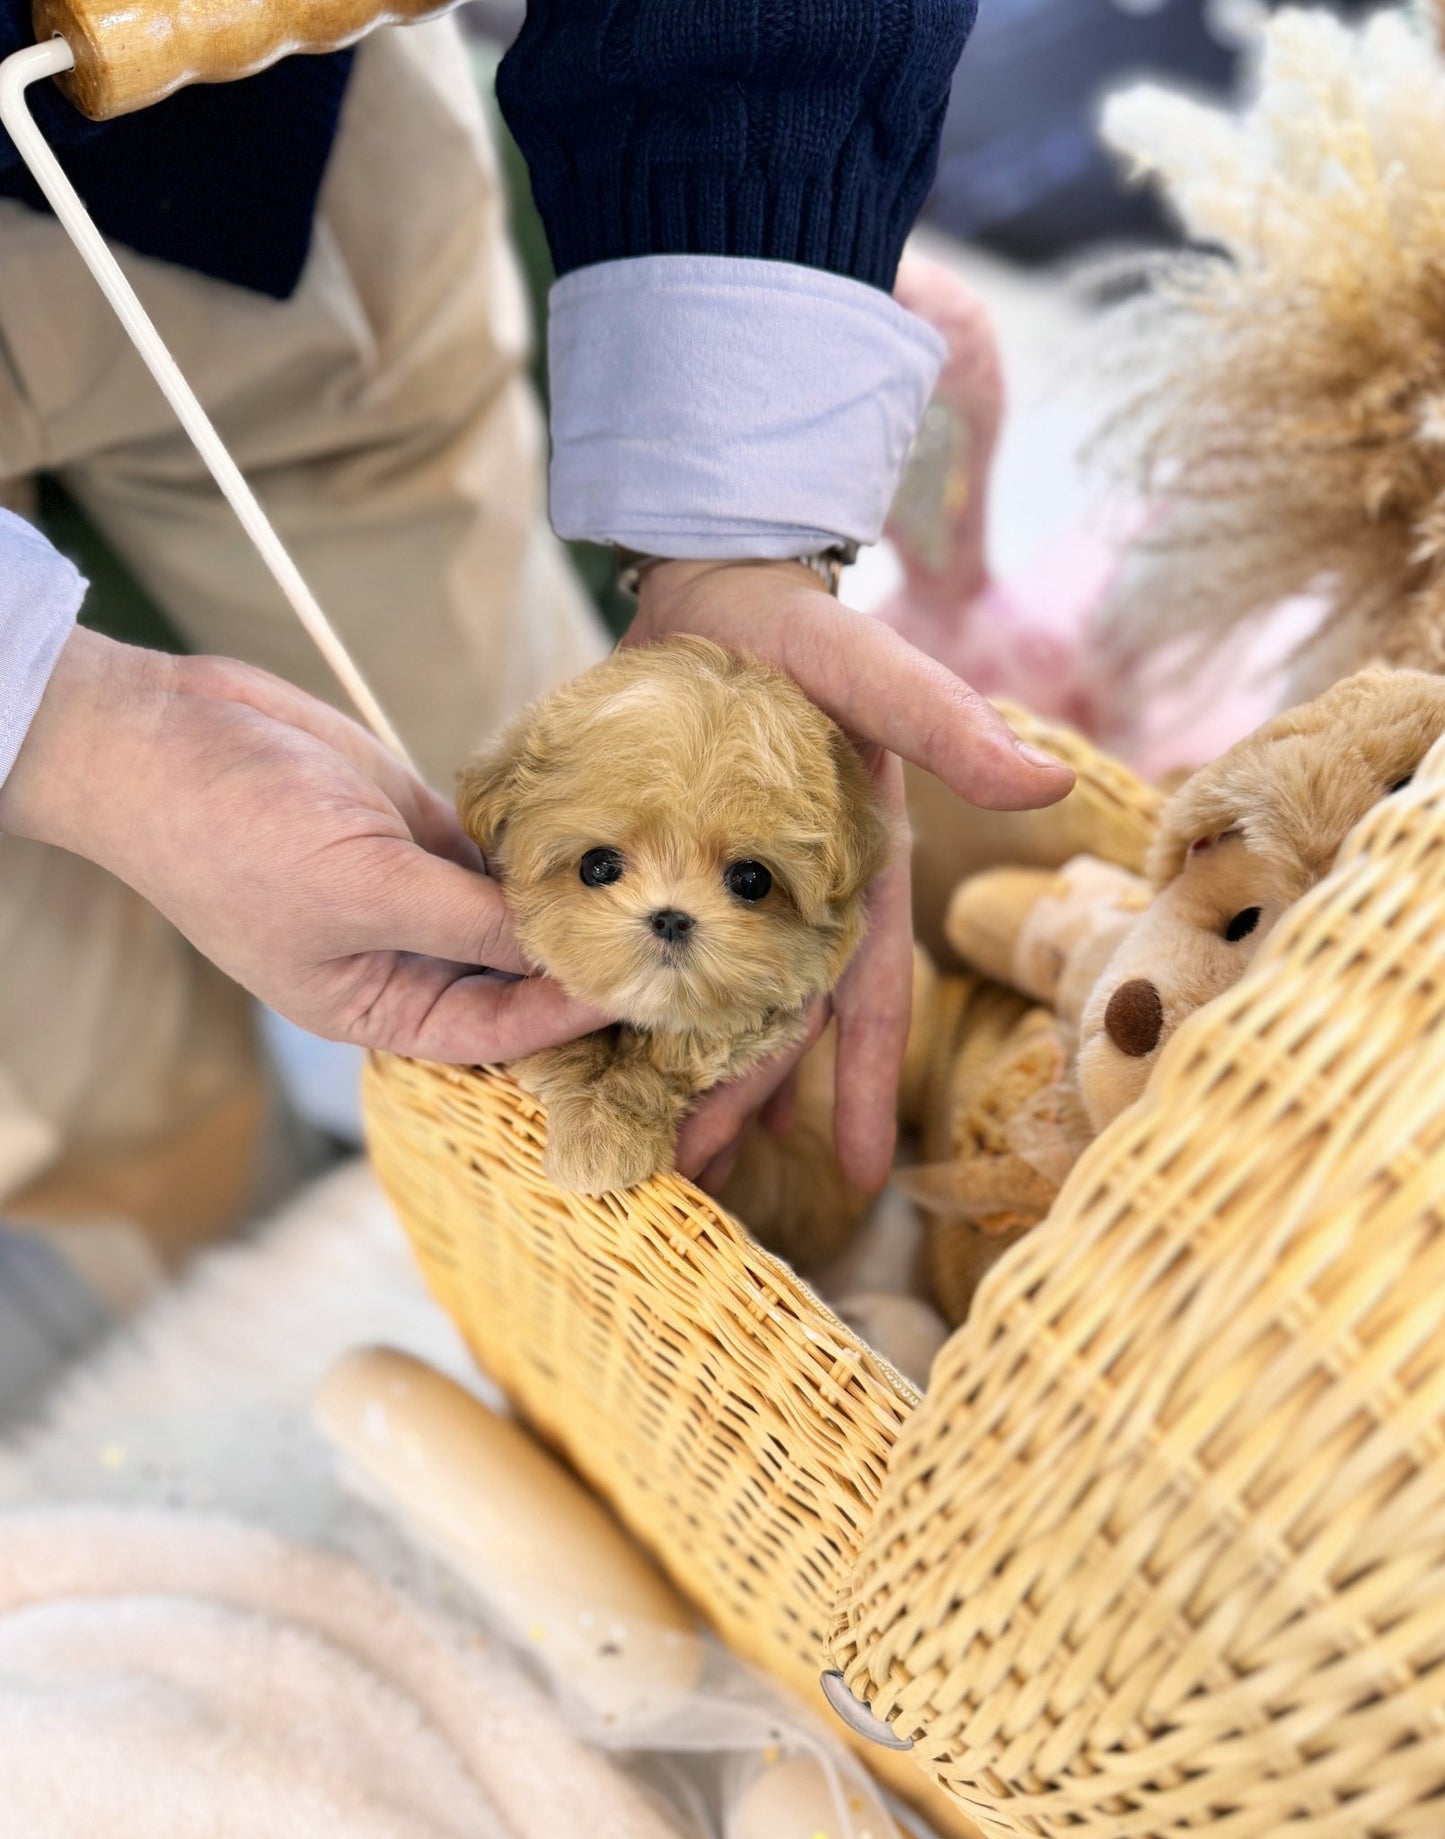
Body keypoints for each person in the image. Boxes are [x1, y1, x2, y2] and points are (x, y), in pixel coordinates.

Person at [0, 2, 1072, 1256]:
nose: (669, 909)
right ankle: (185, 1238)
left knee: (482, 753)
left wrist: (732, 535)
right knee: (62, 1040)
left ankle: (534, 1245)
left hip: (271, 108)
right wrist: (67, 735)